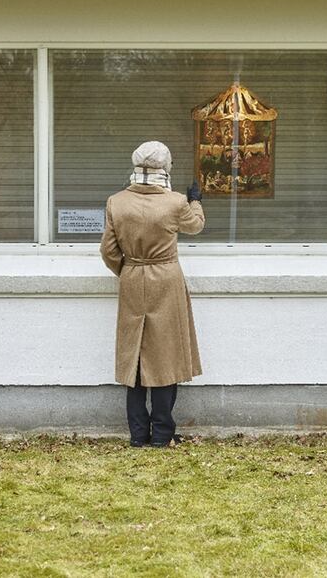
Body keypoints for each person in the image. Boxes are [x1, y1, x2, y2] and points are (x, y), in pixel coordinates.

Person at [100, 141, 205, 448]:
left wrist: (129, 270)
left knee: (134, 355)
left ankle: (137, 433)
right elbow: (196, 226)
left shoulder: (116, 202)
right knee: (166, 356)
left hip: (133, 275)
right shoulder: (175, 203)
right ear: (165, 168)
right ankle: (162, 434)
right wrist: (195, 200)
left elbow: (108, 250)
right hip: (166, 277)